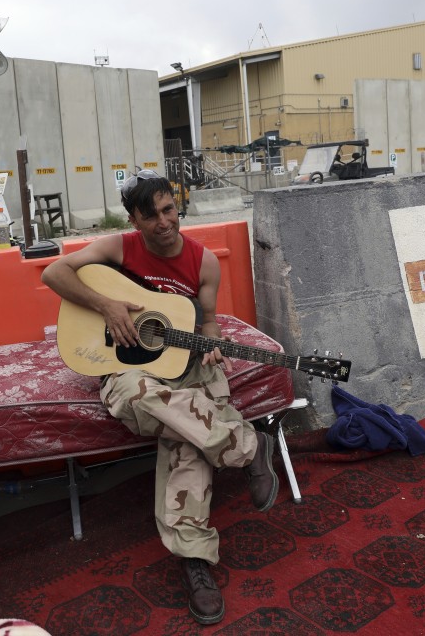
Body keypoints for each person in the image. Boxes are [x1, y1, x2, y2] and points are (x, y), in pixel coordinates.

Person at [41, 170, 278, 625]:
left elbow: (207, 321)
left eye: (169, 209)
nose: (163, 222)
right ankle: (249, 447)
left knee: (186, 440)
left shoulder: (204, 261)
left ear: (178, 206)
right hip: (129, 369)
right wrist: (105, 305)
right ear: (135, 220)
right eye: (150, 216)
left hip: (186, 368)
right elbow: (54, 272)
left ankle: (195, 564)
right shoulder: (120, 249)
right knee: (140, 394)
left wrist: (210, 341)